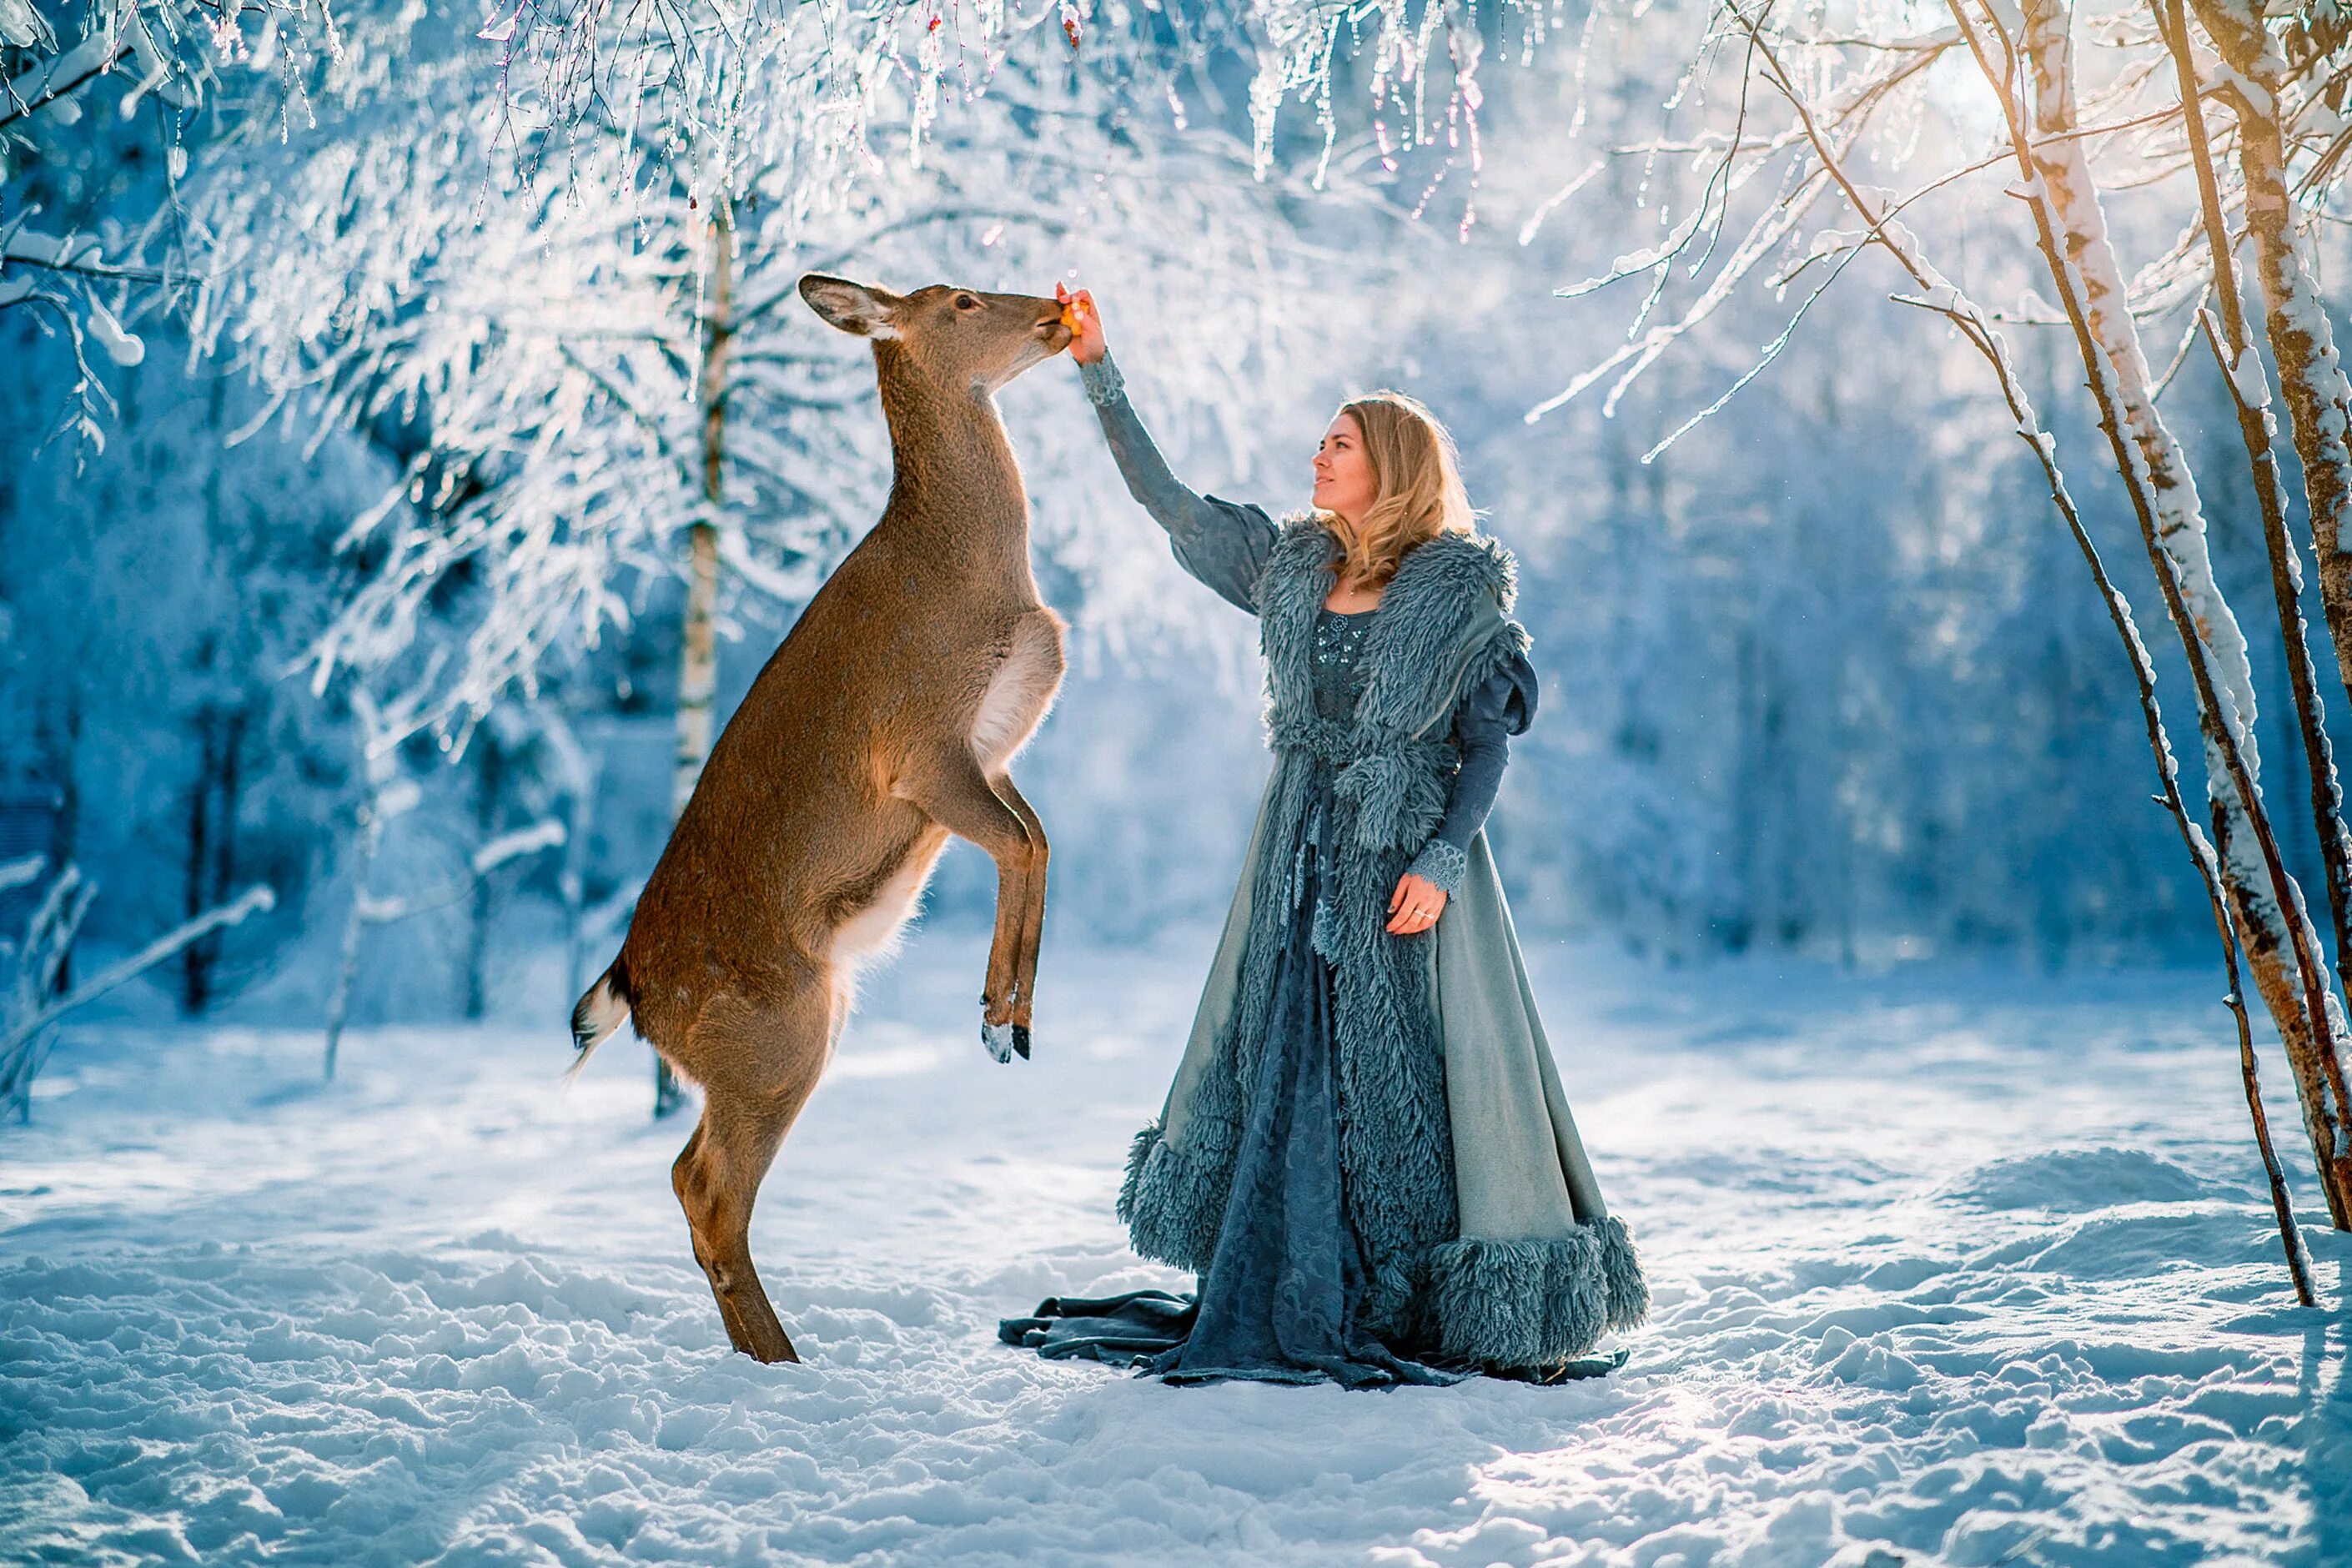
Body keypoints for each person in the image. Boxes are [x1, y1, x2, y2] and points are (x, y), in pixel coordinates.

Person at [998, 287, 1647, 1387]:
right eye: (1322, 440)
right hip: (1298, 846)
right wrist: (1099, 369)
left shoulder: (1457, 601)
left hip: (1411, 859)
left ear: (1387, 465)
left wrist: (1441, 861)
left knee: (1430, 1069)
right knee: (1282, 1049)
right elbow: (1168, 503)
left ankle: (1421, 1290)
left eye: (1339, 444)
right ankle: (1304, 1270)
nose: (1319, 453)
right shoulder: (1287, 570)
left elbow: (1484, 749)